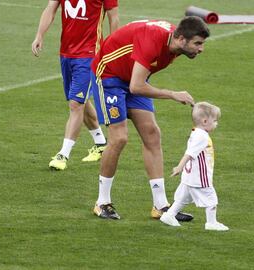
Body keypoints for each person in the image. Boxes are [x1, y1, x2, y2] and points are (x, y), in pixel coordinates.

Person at [90, 16, 210, 220]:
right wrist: (172, 94)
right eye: (197, 43)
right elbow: (136, 87)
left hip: (134, 76)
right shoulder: (152, 42)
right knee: (119, 138)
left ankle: (161, 206)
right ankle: (102, 202)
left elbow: (137, 80)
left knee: (152, 134)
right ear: (181, 39)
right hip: (109, 76)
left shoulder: (175, 43)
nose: (201, 49)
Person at [32, 0, 119, 170]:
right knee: (80, 100)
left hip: (89, 54)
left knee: (76, 103)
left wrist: (111, 50)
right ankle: (101, 143)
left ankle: (63, 154)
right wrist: (39, 35)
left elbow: (113, 18)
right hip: (66, 53)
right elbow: (51, 8)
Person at [160, 102, 229, 231]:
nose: (216, 123)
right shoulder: (202, 136)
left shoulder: (195, 132)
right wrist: (179, 167)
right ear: (204, 121)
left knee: (182, 198)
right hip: (199, 177)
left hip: (190, 176)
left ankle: (169, 215)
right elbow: (190, 154)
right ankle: (211, 223)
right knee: (211, 199)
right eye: (214, 121)